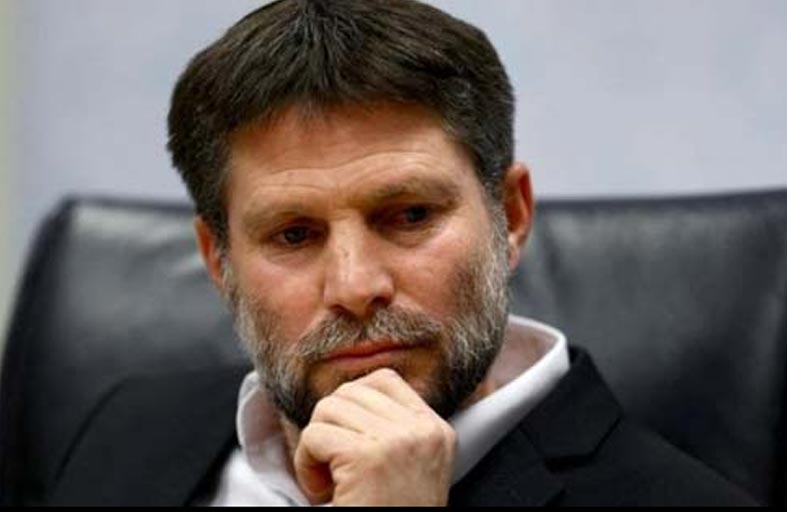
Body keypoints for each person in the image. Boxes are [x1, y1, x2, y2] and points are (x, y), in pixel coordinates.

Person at [48, 0, 755, 506]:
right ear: (218, 261)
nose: (356, 287)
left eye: (409, 216)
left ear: (509, 216)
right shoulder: (123, 431)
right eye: (293, 235)